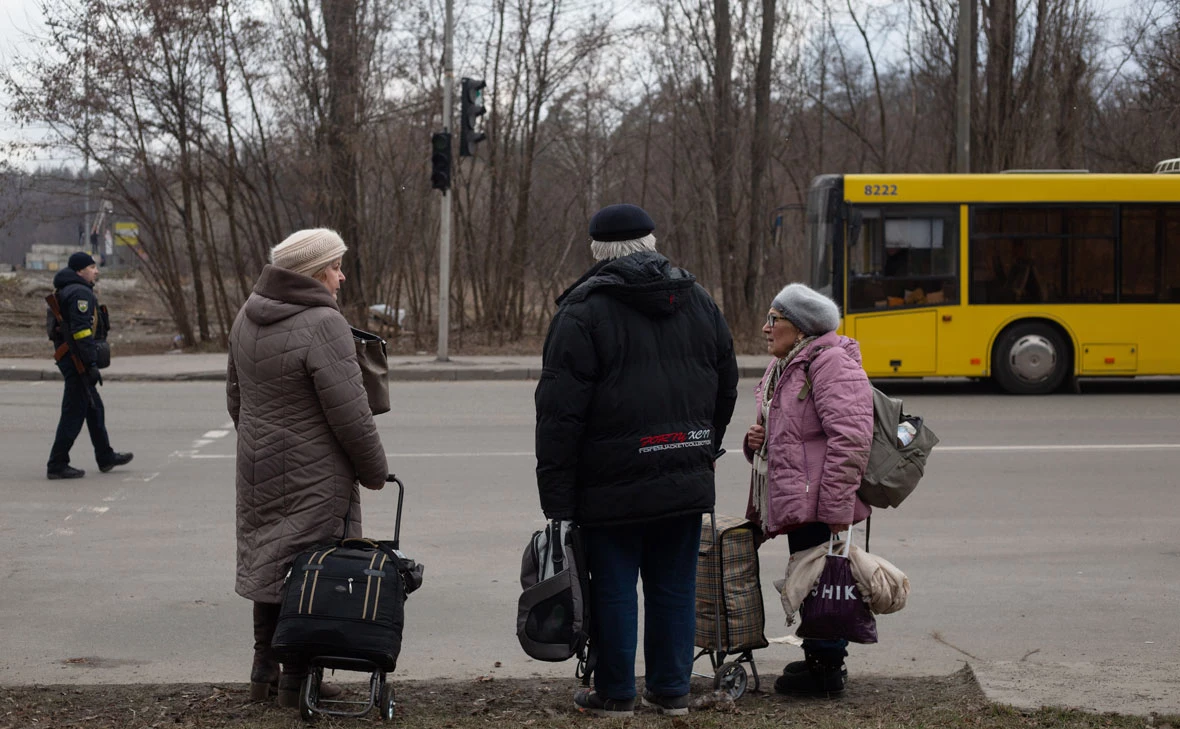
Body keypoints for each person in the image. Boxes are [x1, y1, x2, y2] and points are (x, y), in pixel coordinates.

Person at [535, 204, 739, 718]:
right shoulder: (698, 301)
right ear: (652, 243)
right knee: (675, 586)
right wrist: (702, 446)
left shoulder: (581, 312)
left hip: (610, 485)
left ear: (597, 252)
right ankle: (672, 690)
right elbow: (727, 385)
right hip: (683, 472)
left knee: (613, 588)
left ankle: (616, 693)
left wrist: (557, 499)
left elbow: (560, 415)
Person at [227, 228, 388, 708]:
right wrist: (374, 470)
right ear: (317, 272)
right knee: (304, 569)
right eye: (337, 267)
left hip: (257, 464)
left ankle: (264, 672)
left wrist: (261, 443)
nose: (341, 277)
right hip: (314, 472)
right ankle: (298, 682)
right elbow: (351, 414)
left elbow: (236, 398)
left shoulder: (246, 314)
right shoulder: (323, 323)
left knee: (269, 563)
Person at [743, 283, 873, 697]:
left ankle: (827, 669)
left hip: (823, 497)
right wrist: (756, 441)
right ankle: (820, 658)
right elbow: (789, 432)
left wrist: (835, 505)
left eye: (774, 319)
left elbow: (851, 436)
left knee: (826, 580)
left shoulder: (830, 362)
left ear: (799, 328)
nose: (766, 328)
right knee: (810, 578)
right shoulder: (787, 364)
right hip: (800, 494)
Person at [46, 251, 133, 479]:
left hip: (74, 358)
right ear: (79, 271)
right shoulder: (79, 293)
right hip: (76, 361)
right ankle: (57, 463)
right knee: (73, 413)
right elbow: (82, 332)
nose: (96, 271)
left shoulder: (71, 289)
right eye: (92, 267)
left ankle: (105, 456)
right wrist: (91, 363)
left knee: (94, 409)